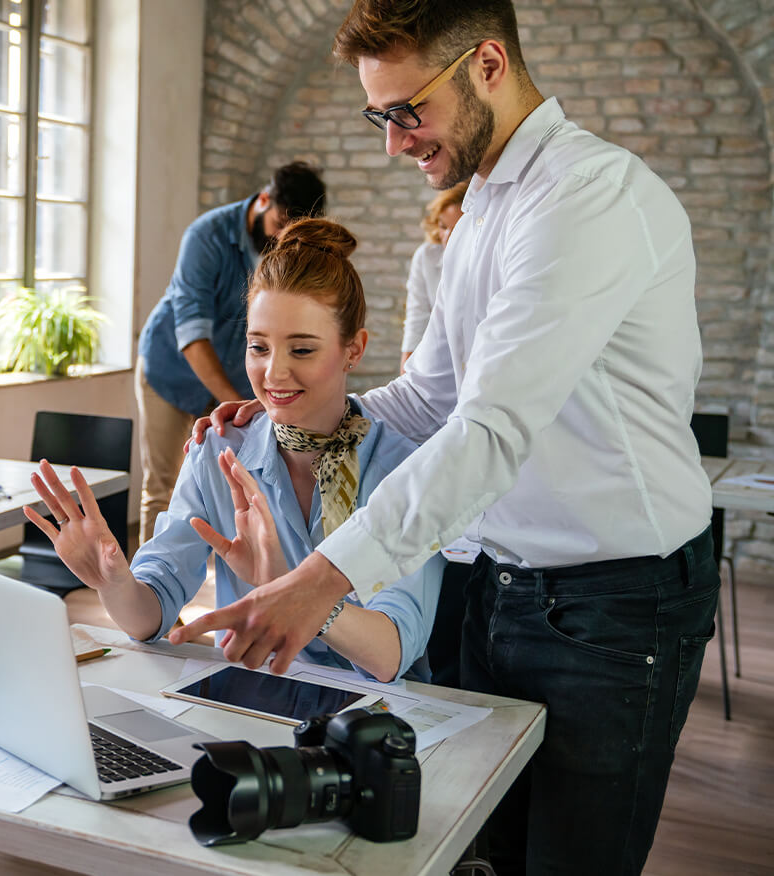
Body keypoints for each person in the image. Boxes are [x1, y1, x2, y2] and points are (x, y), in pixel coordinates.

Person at [179, 2, 718, 874]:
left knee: (571, 860)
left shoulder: (588, 196)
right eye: (379, 115)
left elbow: (488, 429)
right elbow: (429, 396)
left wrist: (318, 579)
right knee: (482, 850)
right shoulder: (480, 214)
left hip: (615, 604)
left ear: (488, 65)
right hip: (502, 588)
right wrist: (297, 414)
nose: (395, 142)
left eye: (407, 110)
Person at [28, 218, 442, 684]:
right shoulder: (218, 450)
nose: (274, 373)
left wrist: (296, 591)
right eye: (258, 347)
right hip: (255, 699)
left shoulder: (405, 469)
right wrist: (114, 582)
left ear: (354, 349)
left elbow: (391, 652)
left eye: (302, 350)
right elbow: (149, 615)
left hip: (376, 715)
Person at [135, 161, 327, 546]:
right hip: (171, 370)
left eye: (291, 232)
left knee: (234, 485)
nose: (281, 239)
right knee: (164, 488)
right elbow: (191, 333)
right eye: (279, 226)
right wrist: (235, 401)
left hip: (234, 377)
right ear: (264, 200)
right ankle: (149, 584)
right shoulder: (207, 235)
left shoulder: (293, 246)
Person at [400, 181, 466, 371]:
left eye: (457, 228)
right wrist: (405, 370)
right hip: (437, 358)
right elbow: (416, 318)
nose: (448, 236)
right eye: (443, 227)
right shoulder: (426, 256)